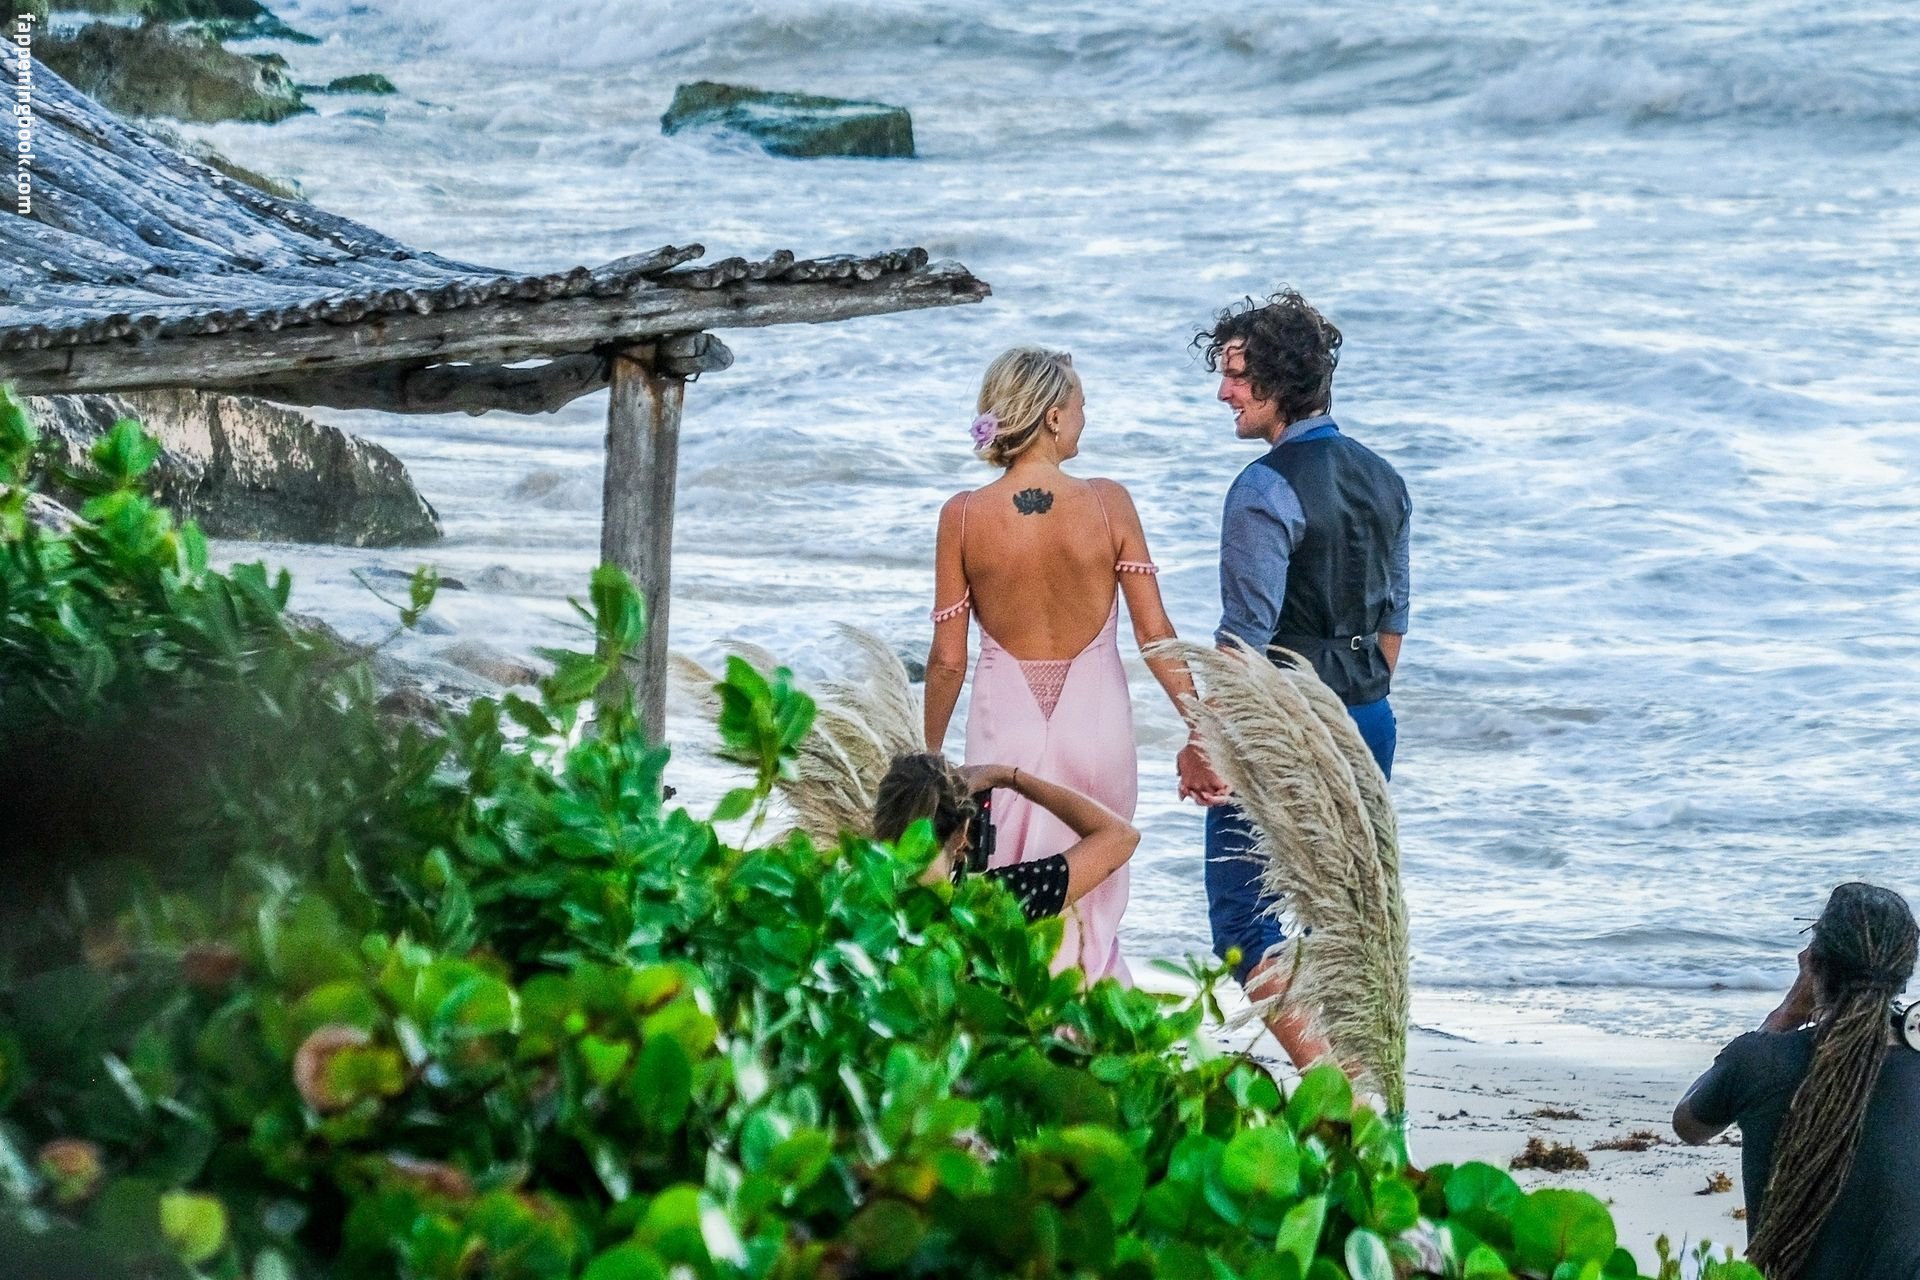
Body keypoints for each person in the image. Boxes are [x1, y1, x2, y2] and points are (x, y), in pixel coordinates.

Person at [924, 347, 1227, 985]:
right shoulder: (1109, 503)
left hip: (1004, 726)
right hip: (1097, 725)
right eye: (1082, 406)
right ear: (1054, 417)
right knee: (1093, 884)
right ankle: (1089, 1008)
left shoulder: (963, 515)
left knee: (1002, 882)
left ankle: (1016, 1015)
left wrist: (924, 758)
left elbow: (949, 660)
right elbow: (1155, 634)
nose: (1086, 419)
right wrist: (1199, 727)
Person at [1191, 289, 1411, 1068]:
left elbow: (1244, 640)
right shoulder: (1386, 478)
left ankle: (1334, 1089)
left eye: (1236, 376)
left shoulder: (1262, 487)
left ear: (1278, 381)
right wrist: (1352, 702)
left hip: (1282, 723)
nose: (1224, 393)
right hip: (1370, 715)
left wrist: (1206, 743)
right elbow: (1393, 623)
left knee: (1242, 924)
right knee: (1343, 919)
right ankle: (1367, 1085)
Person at [1673, 883, 1920, 1279]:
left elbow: (1688, 1126)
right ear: (1903, 976)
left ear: (1813, 963)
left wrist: (1785, 1014)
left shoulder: (1758, 1061)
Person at [872, 752, 1138, 925]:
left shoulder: (858, 906)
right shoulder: (995, 901)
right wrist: (1008, 776)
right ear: (963, 835)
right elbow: (1121, 837)